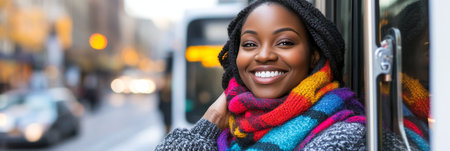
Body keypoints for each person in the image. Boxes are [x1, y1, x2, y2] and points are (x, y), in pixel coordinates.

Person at [156, 0, 411, 150]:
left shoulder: (347, 137)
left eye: (285, 43)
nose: (264, 55)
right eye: (250, 44)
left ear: (313, 55)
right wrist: (211, 119)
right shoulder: (232, 132)